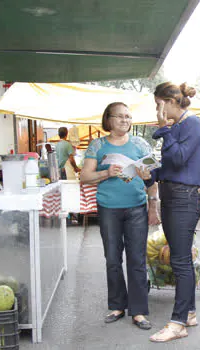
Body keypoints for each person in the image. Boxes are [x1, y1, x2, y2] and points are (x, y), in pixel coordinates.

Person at [80, 102, 160, 331]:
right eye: (120, 116)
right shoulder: (98, 145)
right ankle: (117, 306)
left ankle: (139, 311)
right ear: (109, 120)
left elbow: (152, 180)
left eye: (128, 116)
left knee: (137, 259)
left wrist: (151, 197)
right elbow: (85, 176)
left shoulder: (140, 144)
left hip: (136, 207)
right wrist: (106, 172)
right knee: (113, 259)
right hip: (108, 208)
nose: (125, 120)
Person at [143, 82, 200, 343]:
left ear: (169, 101)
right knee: (181, 259)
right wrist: (148, 174)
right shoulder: (179, 126)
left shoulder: (191, 123)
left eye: (158, 104)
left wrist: (163, 129)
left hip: (184, 198)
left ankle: (178, 323)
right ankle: (189, 312)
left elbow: (178, 159)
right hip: (174, 195)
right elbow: (170, 165)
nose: (157, 109)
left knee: (179, 261)